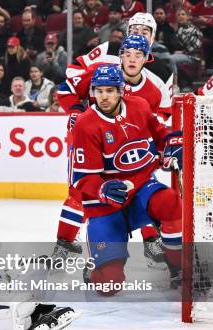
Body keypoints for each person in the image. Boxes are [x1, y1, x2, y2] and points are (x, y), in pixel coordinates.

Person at [71, 64, 182, 294]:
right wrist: (102, 189)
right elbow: (81, 178)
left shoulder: (139, 106)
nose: (103, 96)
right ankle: (97, 265)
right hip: (104, 206)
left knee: (169, 201)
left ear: (121, 90)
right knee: (108, 285)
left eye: (109, 90)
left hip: (141, 187)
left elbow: (161, 136)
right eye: (99, 90)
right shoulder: (86, 124)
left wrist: (171, 145)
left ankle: (179, 266)